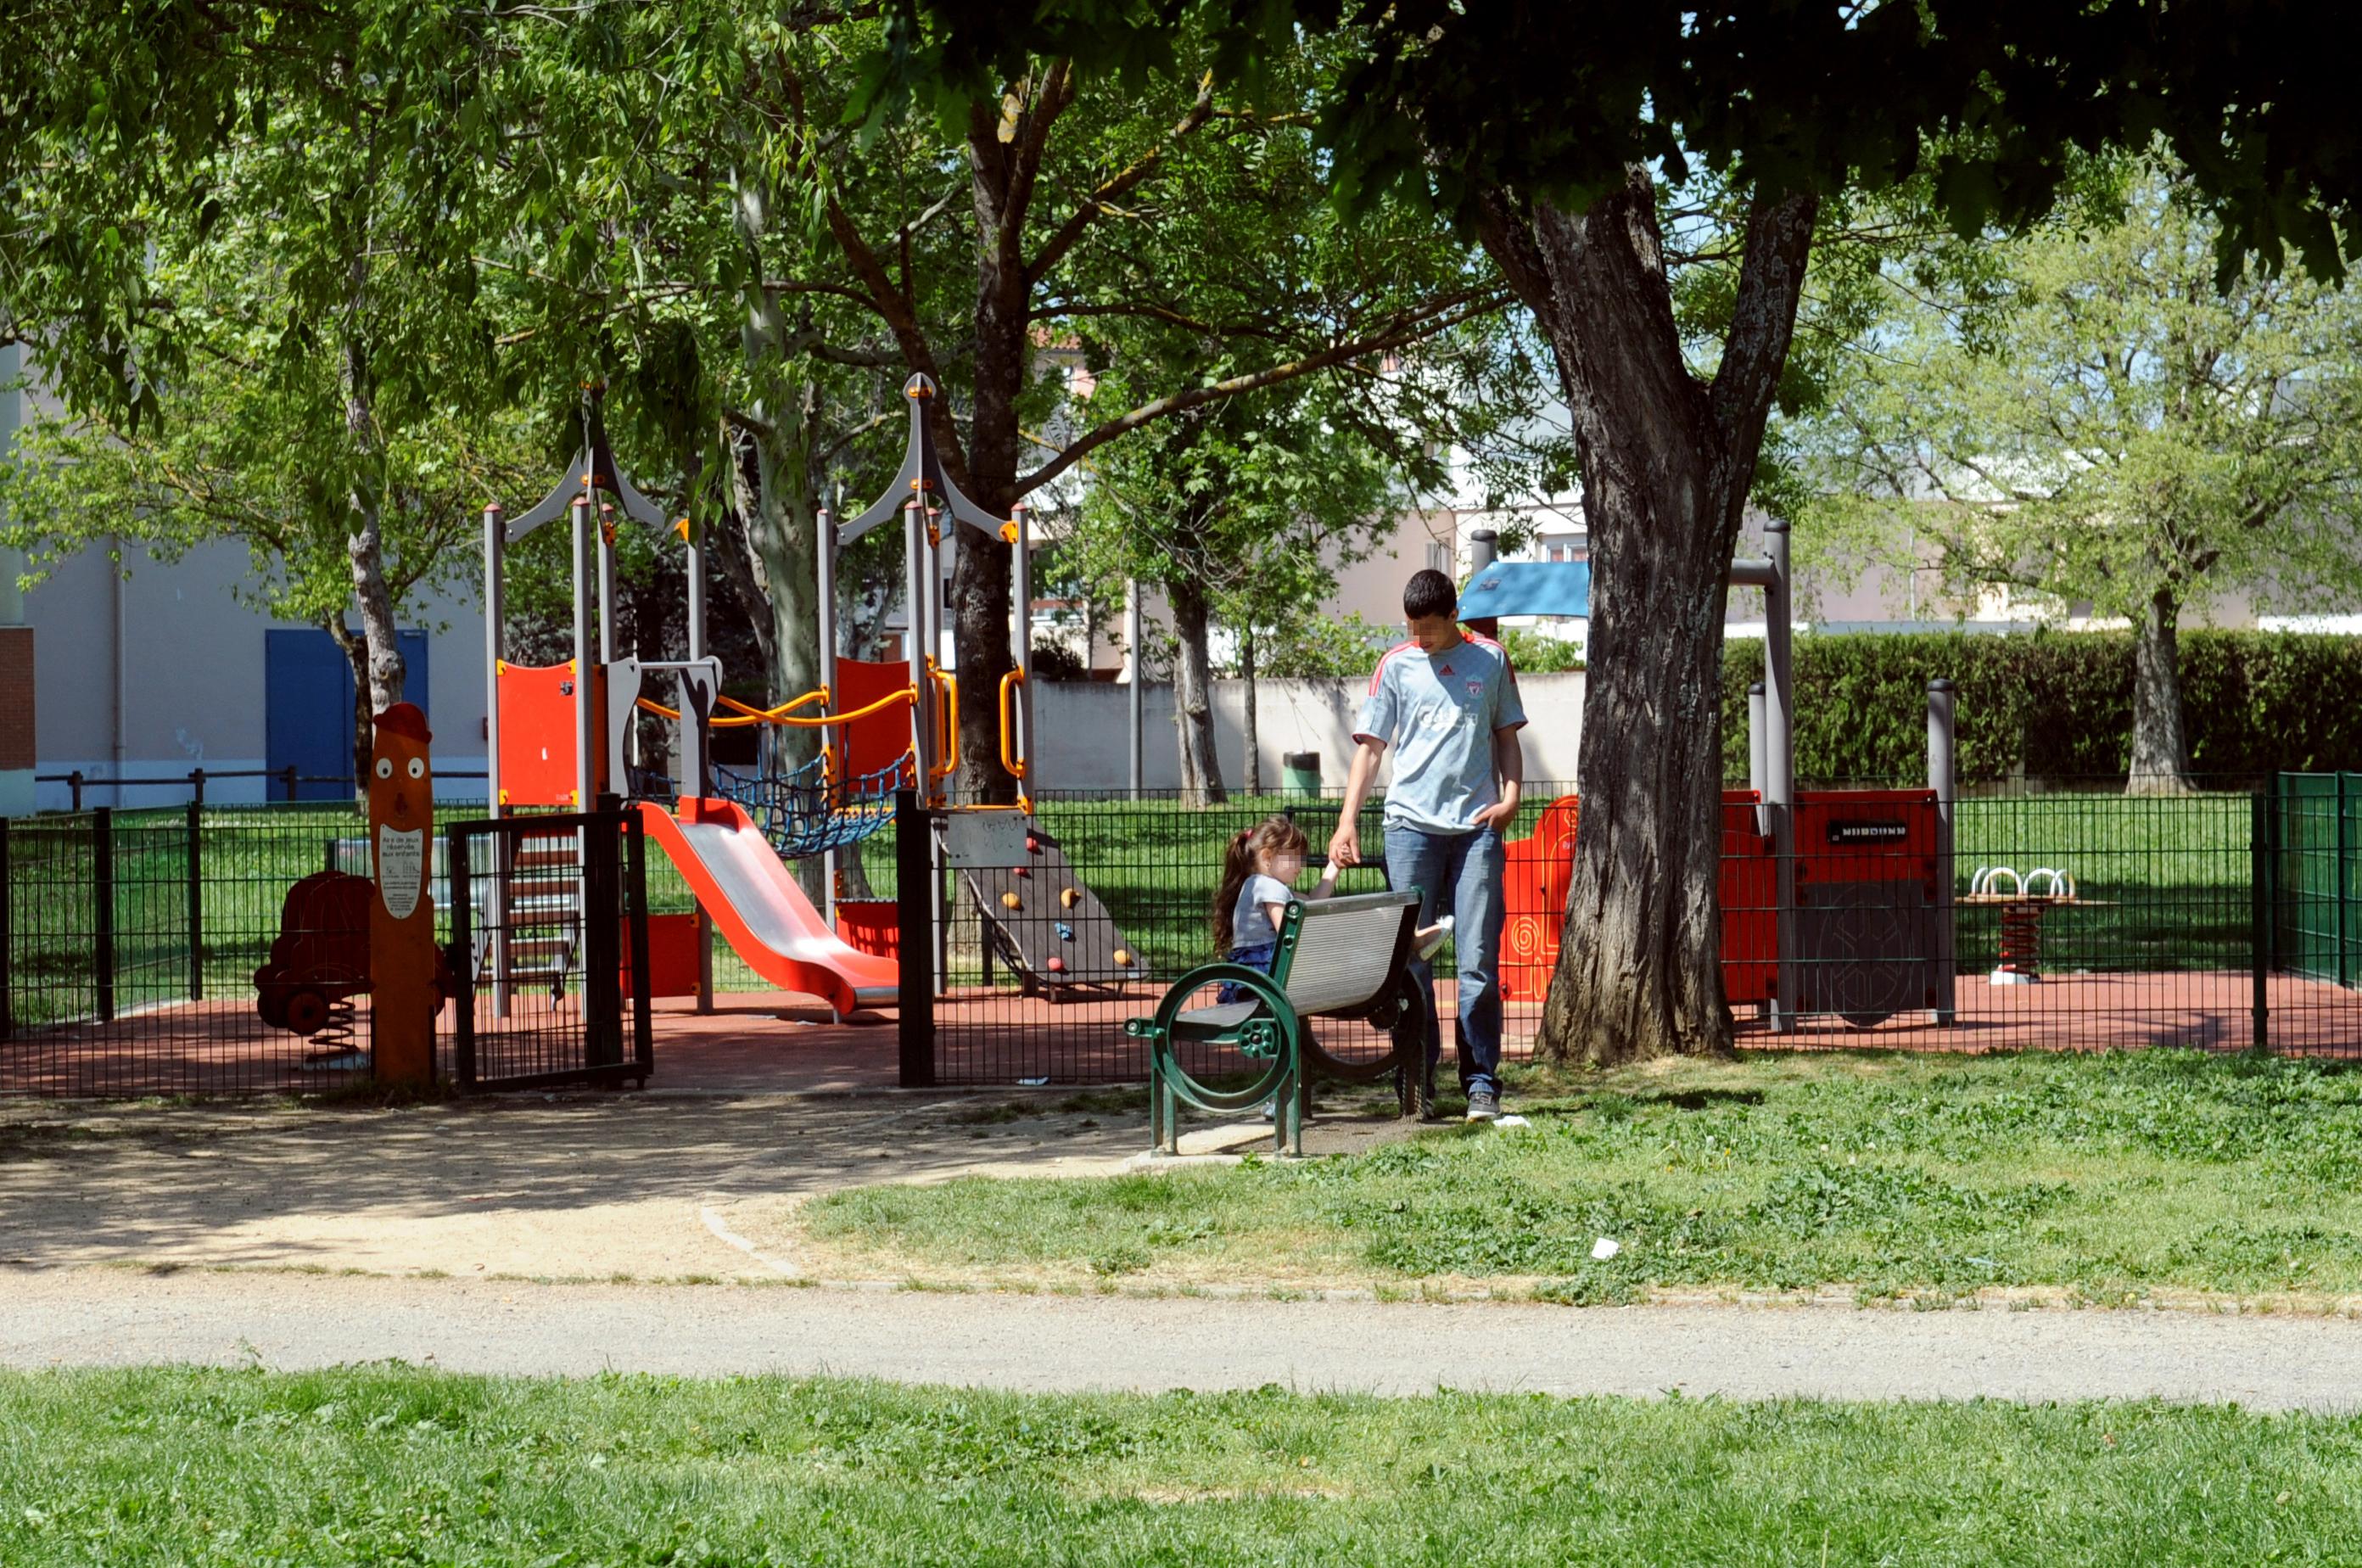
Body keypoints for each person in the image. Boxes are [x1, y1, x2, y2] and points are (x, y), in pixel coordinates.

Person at [1330, 567, 1525, 1121]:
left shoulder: (1490, 660)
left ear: (1453, 617)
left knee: (1479, 961)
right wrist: (1348, 822)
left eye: (1430, 628)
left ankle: (1481, 1084)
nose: (1421, 638)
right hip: (1409, 829)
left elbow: (1506, 736)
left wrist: (1511, 797)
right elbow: (1369, 751)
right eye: (1413, 627)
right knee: (1411, 964)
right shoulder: (1395, 665)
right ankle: (1416, 1080)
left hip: (1476, 830)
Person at [1212, 815, 1335, 1002]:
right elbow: (1286, 931)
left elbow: (1311, 900)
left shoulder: (1265, 885)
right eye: (1294, 858)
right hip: (1263, 968)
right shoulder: (1268, 887)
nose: (1301, 865)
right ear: (1267, 857)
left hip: (1255, 967)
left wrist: (1335, 866)